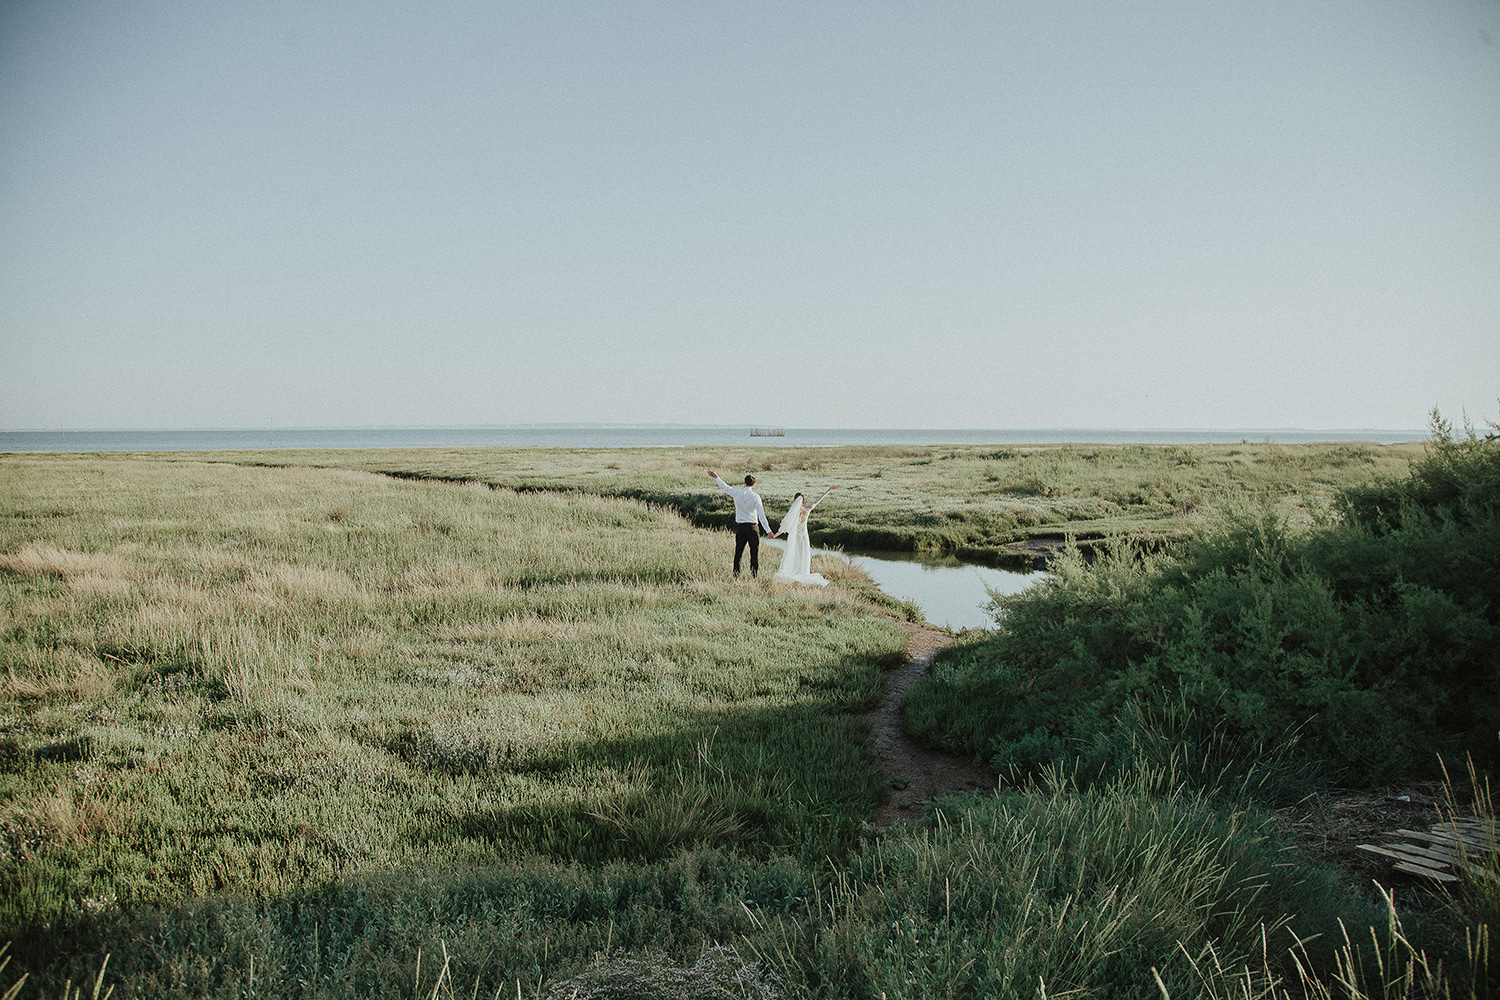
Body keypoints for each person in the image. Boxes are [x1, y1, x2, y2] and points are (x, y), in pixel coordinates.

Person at [708, 469, 774, 578]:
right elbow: (761, 516)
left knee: (738, 553)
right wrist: (769, 531)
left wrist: (716, 477)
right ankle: (754, 576)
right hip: (753, 528)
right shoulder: (756, 497)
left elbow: (725, 487)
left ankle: (736, 576)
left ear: (744, 483)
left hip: (741, 527)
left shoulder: (737, 493)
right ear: (753, 484)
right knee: (754, 553)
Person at [774, 485, 839, 586]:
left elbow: (784, 528)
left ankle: (795, 573)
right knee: (803, 555)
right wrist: (829, 490)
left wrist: (775, 535)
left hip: (795, 538)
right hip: (804, 538)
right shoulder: (807, 510)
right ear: (803, 501)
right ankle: (803, 573)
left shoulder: (793, 514)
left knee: (795, 554)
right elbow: (818, 500)